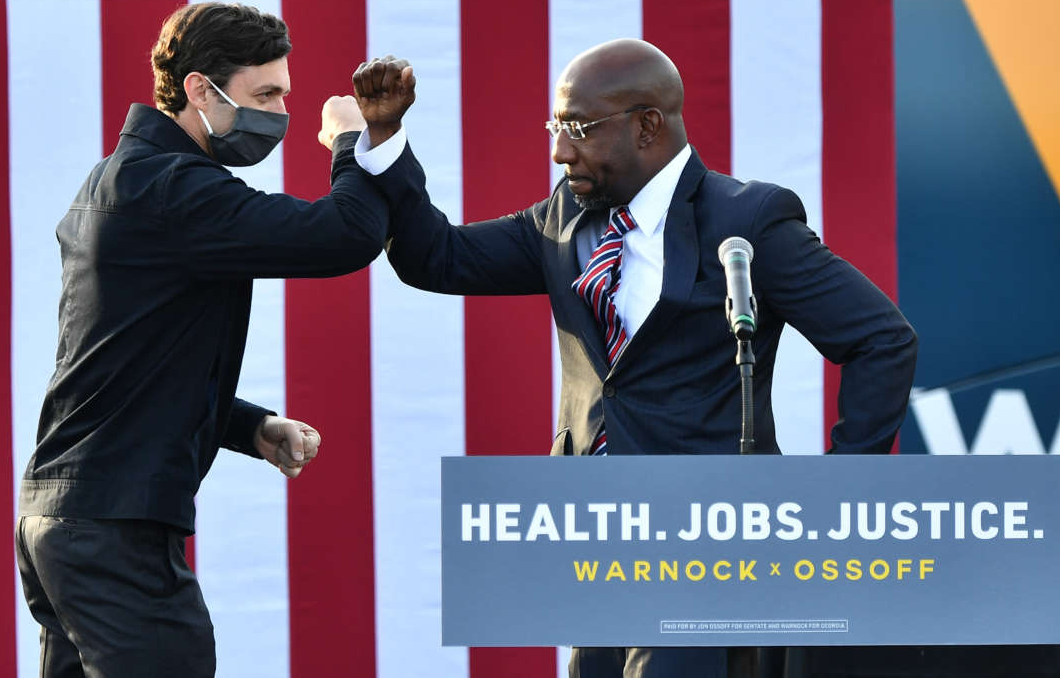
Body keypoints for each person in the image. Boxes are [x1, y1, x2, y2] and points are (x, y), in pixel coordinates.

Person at [343, 40, 918, 677]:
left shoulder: (747, 220)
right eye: (556, 128)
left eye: (579, 130)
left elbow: (881, 340)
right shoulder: (566, 217)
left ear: (647, 126)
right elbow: (437, 258)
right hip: (596, 546)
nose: (561, 150)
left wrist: (837, 496)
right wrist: (385, 137)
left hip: (708, 549)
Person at [15, 2, 394, 677]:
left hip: (63, 519)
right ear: (198, 88)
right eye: (265, 94)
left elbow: (129, 362)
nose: (280, 113)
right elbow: (348, 234)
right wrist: (351, 143)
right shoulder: (173, 190)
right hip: (112, 530)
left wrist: (249, 426)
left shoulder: (116, 182)